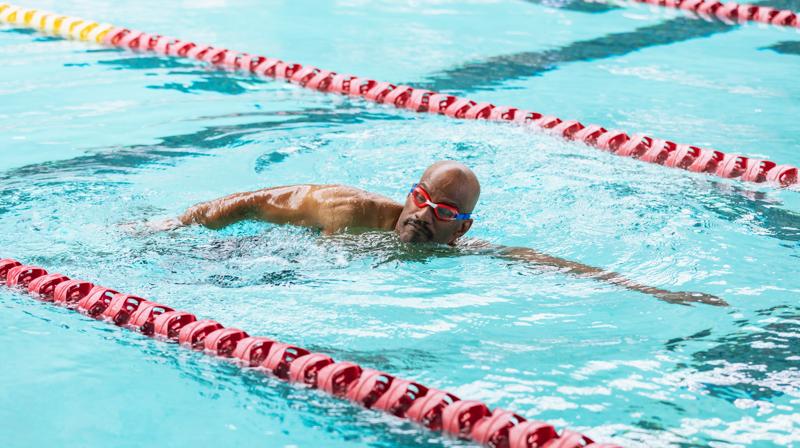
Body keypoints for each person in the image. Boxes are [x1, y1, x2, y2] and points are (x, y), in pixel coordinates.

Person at [154, 161, 726, 306]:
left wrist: (654, 291)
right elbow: (254, 200)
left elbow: (548, 263)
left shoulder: (464, 253)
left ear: (462, 229)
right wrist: (171, 225)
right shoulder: (344, 210)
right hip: (254, 257)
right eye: (422, 199)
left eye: (445, 211)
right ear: (409, 195)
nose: (426, 214)